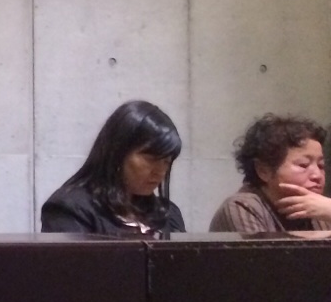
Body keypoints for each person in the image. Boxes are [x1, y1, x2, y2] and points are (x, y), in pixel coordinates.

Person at [40, 100, 185, 238]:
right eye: (151, 159)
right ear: (117, 153)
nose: (160, 171)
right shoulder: (72, 209)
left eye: (166, 161)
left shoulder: (168, 214)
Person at [209, 114, 331, 234]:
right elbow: (261, 249)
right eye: (303, 165)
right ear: (263, 171)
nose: (317, 175)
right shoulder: (242, 206)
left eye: (321, 166)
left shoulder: (318, 209)